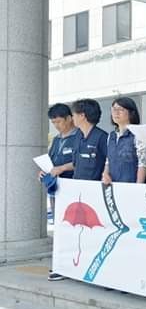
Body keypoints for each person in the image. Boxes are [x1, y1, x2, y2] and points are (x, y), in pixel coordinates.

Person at [41, 103, 79, 282]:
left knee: (73, 227)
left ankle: (71, 264)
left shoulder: (79, 137)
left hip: (73, 189)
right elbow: (50, 161)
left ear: (69, 118)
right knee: (60, 227)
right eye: (53, 122)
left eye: (59, 121)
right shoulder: (56, 140)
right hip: (56, 189)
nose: (56, 125)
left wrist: (62, 168)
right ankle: (61, 264)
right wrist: (44, 170)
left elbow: (81, 162)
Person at [102, 97, 146, 184]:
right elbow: (108, 160)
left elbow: (143, 163)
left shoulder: (138, 134)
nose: (116, 113)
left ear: (131, 113)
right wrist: (105, 174)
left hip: (131, 185)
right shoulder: (111, 136)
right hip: (113, 184)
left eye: (121, 109)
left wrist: (138, 186)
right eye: (114, 109)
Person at [71, 99, 108, 182]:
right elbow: (75, 162)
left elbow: (109, 162)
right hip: (77, 184)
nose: (72, 118)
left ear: (82, 116)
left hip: (94, 185)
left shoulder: (102, 137)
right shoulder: (78, 135)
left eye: (73, 115)